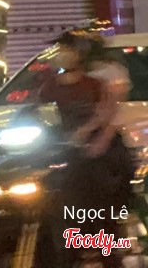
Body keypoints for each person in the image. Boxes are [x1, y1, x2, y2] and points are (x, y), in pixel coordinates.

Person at [38, 29, 133, 255]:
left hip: (99, 150)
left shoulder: (98, 82)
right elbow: (44, 116)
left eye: (66, 49)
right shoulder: (49, 87)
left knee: (102, 192)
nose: (61, 54)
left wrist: (91, 134)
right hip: (68, 152)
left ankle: (107, 244)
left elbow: (108, 112)